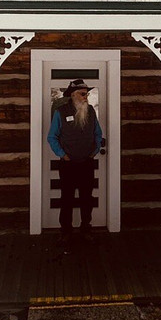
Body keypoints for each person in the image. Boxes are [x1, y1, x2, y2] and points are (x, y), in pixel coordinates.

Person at [47, 78, 103, 246]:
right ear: (72, 95)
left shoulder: (91, 111)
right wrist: (63, 155)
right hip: (68, 164)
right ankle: (65, 232)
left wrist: (94, 152)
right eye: (83, 94)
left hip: (86, 163)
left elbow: (98, 134)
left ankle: (86, 229)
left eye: (87, 94)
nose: (86, 97)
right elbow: (52, 137)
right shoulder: (61, 112)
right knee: (67, 200)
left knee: (87, 198)